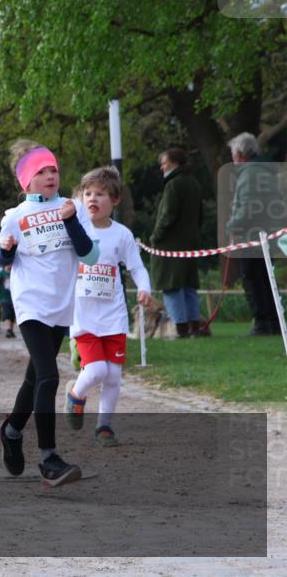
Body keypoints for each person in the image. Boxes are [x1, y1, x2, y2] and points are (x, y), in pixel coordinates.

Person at [0, 141, 97, 488]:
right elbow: (0, 258)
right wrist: (6, 251)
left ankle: (10, 430)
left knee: (34, 378)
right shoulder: (15, 216)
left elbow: (89, 254)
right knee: (50, 376)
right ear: (26, 181)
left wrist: (70, 222)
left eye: (53, 169)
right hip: (30, 304)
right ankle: (49, 458)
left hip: (61, 304)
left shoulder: (73, 208)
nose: (50, 175)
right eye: (41, 171)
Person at [63, 167, 153, 447]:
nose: (92, 198)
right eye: (87, 193)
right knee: (98, 371)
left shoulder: (122, 234)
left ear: (114, 201)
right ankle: (76, 394)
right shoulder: (77, 227)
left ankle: (104, 427)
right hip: (84, 315)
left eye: (100, 194)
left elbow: (137, 267)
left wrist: (144, 288)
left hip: (113, 315)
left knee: (113, 375)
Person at [226, 133, 282, 336]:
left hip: (251, 235)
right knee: (267, 278)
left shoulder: (249, 174)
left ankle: (262, 323)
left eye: (233, 156)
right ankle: (275, 322)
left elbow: (247, 208)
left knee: (252, 278)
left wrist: (232, 226)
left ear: (240, 155)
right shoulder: (267, 171)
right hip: (269, 232)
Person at [149, 148, 206, 338]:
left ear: (174, 163)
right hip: (190, 243)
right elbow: (200, 215)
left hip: (170, 245)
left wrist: (156, 236)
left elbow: (168, 215)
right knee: (189, 287)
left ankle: (179, 329)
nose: (162, 166)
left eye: (164, 162)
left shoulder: (173, 185)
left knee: (172, 286)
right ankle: (194, 327)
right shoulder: (194, 183)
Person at [0, 264, 16, 338]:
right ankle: (8, 329)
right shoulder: (1, 273)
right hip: (4, 298)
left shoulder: (14, 272)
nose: (9, 265)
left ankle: (11, 330)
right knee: (7, 314)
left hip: (14, 298)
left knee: (12, 315)